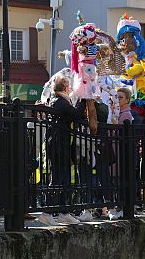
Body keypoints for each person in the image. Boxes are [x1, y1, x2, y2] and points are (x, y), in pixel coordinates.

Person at [37, 76, 86, 226]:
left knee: (62, 178)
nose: (70, 87)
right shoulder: (61, 102)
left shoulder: (60, 101)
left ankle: (63, 212)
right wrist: (84, 98)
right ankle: (47, 213)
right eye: (68, 85)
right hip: (58, 146)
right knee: (58, 179)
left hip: (60, 145)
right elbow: (76, 114)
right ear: (64, 88)